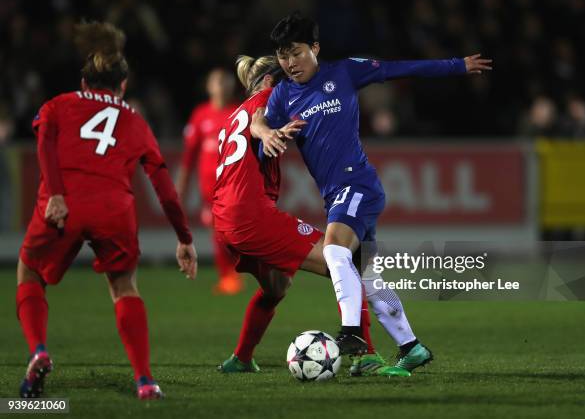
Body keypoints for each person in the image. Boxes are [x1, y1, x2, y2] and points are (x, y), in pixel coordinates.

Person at [252, 12, 492, 371]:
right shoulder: (283, 95)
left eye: (297, 53)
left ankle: (352, 332)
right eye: (283, 55)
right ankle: (411, 348)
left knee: (333, 249)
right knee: (367, 277)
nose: (289, 63)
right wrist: (273, 138)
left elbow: (399, 68)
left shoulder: (345, 71)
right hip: (336, 194)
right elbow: (261, 141)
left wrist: (455, 65)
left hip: (358, 183)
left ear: (315, 48)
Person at [16, 21, 197, 400]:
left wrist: (57, 193)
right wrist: (184, 238)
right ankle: (146, 380)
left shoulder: (59, 104)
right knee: (124, 287)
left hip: (64, 202)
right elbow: (164, 189)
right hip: (115, 209)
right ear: (123, 86)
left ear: (85, 82)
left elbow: (45, 144)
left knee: (30, 270)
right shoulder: (135, 121)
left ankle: (39, 350)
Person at [214, 55, 411, 378]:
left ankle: (242, 358)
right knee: (346, 261)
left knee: (276, 287)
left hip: (226, 219)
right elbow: (260, 121)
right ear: (268, 83)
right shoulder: (267, 99)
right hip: (253, 216)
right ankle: (367, 355)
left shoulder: (232, 114)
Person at [176, 68, 242, 295]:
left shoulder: (238, 113)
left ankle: (236, 274)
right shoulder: (200, 115)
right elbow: (189, 155)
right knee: (218, 232)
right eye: (217, 82)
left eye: (225, 82)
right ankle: (228, 276)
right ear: (209, 87)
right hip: (207, 189)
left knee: (232, 231)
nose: (221, 86)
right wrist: (182, 185)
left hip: (234, 186)